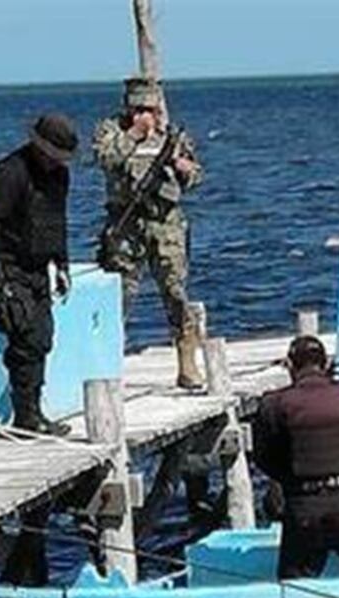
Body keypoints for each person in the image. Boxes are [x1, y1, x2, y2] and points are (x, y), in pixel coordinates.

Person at [94, 77, 205, 389]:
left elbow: (195, 176)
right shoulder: (112, 131)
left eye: (150, 109)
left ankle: (187, 363)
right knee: (120, 295)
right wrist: (134, 136)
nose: (145, 114)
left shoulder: (172, 136)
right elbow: (106, 158)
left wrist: (184, 168)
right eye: (138, 108)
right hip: (125, 223)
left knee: (175, 292)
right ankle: (108, 365)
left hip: (165, 222)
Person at [254, 335, 339, 579]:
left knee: (296, 585)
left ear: (290, 365)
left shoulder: (274, 404)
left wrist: (293, 478)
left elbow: (264, 457)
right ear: (326, 363)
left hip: (304, 506)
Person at [0, 113, 78, 437]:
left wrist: (62, 264)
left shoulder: (59, 176)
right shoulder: (9, 173)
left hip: (39, 269)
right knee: (25, 339)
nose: (55, 163)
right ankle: (27, 416)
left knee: (42, 338)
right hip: (8, 267)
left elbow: (57, 221)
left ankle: (32, 411)